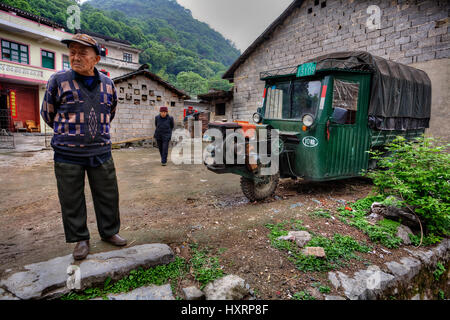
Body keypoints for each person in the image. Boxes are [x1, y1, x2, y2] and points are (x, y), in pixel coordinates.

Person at [40, 33, 127, 261]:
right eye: (72, 52)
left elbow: (111, 113)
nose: (75, 57)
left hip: (101, 151)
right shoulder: (58, 81)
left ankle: (109, 232)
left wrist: (94, 133)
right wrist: (69, 134)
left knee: (108, 194)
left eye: (82, 53)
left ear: (96, 58)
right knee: (71, 198)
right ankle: (80, 238)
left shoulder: (108, 84)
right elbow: (47, 114)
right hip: (67, 153)